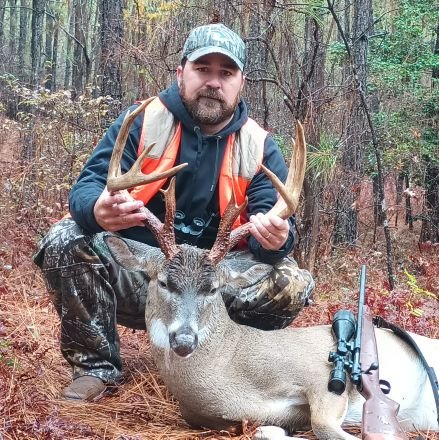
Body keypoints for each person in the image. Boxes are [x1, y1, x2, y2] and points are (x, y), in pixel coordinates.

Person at [33, 23, 314, 401]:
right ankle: (96, 368)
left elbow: (275, 225)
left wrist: (277, 239)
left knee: (291, 282)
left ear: (240, 82)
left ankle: (233, 367)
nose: (213, 82)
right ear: (181, 73)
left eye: (225, 73)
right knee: (65, 239)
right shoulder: (144, 121)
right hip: (144, 274)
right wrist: (97, 210)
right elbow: (87, 190)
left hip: (213, 288)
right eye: (203, 70)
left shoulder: (258, 145)